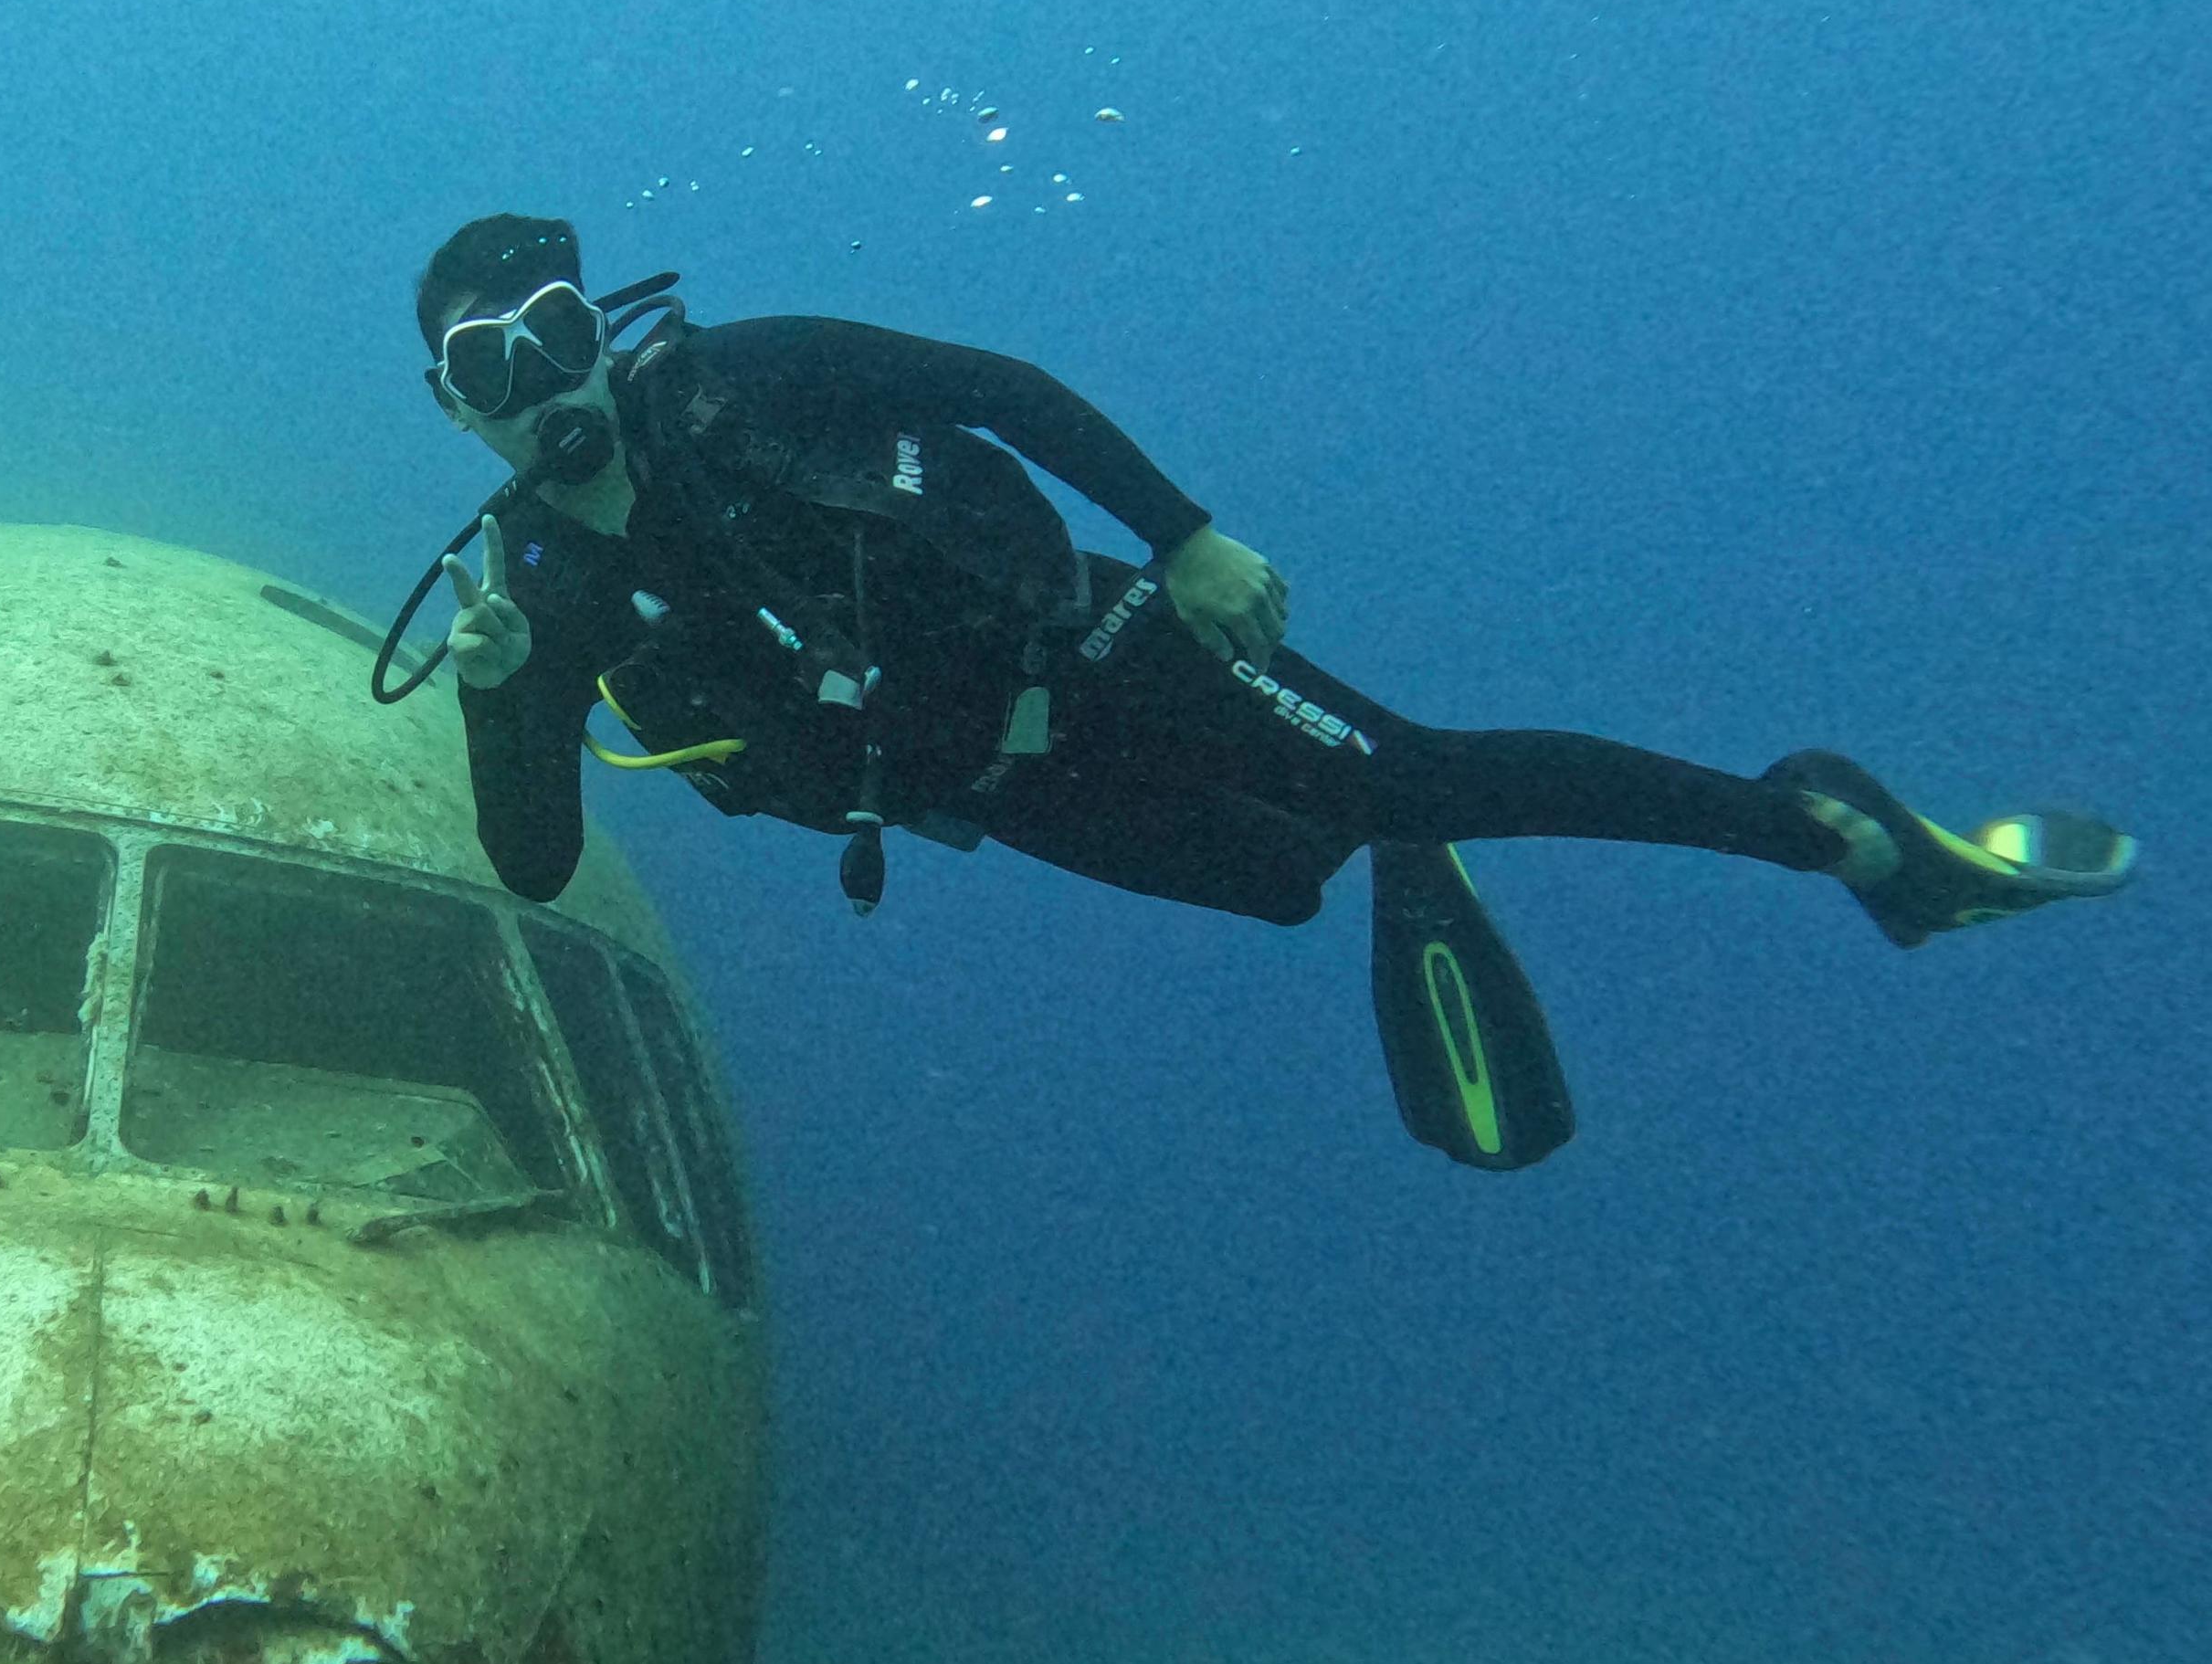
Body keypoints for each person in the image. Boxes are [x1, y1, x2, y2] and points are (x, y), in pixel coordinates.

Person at [384, 214, 2136, 1166]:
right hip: (1001, 793)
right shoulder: (538, 599)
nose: (537, 383)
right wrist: (490, 695)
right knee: (1283, 882)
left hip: (1106, 644)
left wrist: (1190, 535)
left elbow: (1001, 389)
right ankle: (1391, 848)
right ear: (455, 409)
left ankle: (1833, 831)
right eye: (487, 368)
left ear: (592, 328)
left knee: (1421, 771)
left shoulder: (750, 380)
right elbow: (534, 864)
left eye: (549, 332)